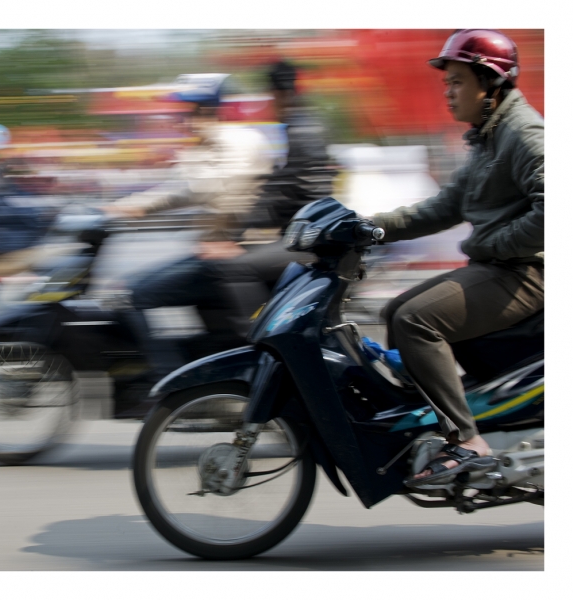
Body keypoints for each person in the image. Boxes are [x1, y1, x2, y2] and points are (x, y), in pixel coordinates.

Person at [102, 65, 337, 415]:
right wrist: (129, 206)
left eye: (188, 113)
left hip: (236, 250)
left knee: (133, 294)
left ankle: (171, 389)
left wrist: (143, 206)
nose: (182, 121)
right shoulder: (207, 146)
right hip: (219, 248)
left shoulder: (239, 142)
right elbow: (179, 189)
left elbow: (218, 191)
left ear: (205, 111)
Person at [368, 30, 544, 487]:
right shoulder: (487, 137)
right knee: (393, 312)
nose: (448, 92)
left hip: (527, 272)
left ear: (491, 83)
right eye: (446, 83)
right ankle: (429, 425)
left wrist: (494, 244)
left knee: (415, 322)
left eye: (458, 82)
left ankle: (466, 441)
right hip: (498, 268)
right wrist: (365, 227)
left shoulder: (522, 133)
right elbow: (442, 209)